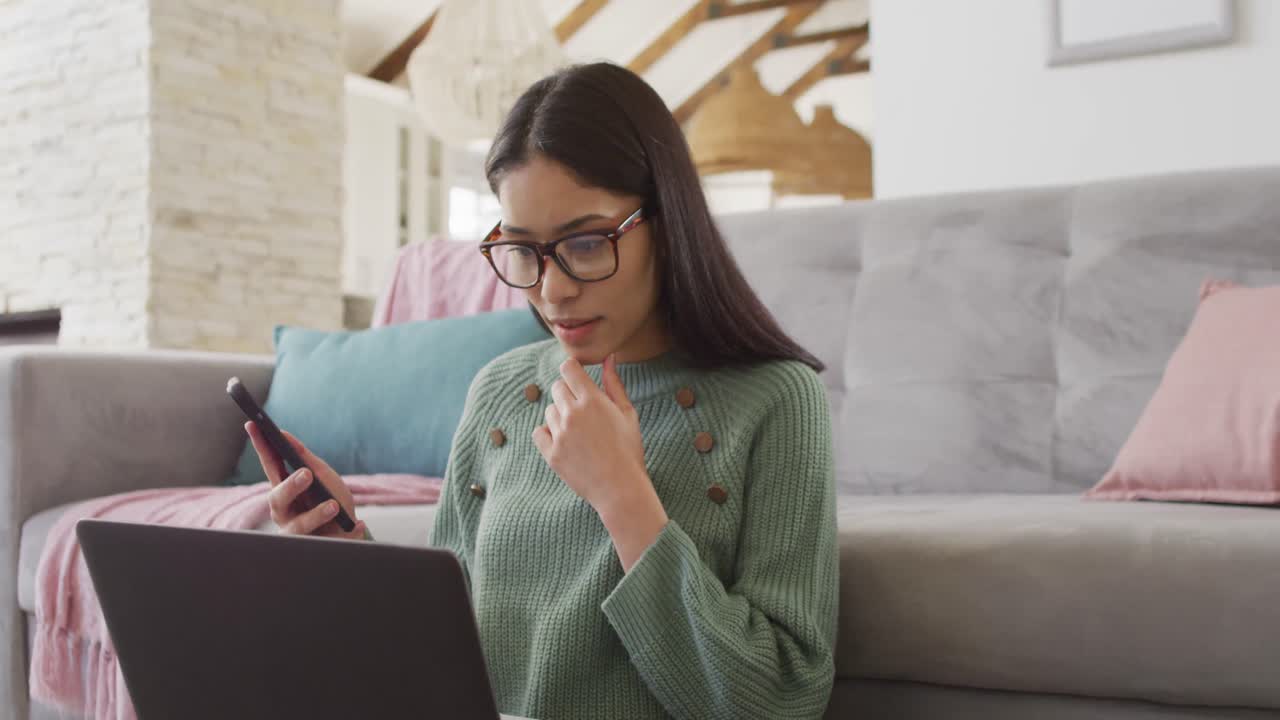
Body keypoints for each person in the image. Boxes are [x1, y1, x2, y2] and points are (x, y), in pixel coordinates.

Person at [246, 62, 838, 720]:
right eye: (523, 250)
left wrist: (623, 497)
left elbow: (782, 699)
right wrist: (350, 554)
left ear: (666, 223)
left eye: (586, 243)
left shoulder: (776, 400)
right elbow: (452, 647)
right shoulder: (500, 391)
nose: (552, 290)